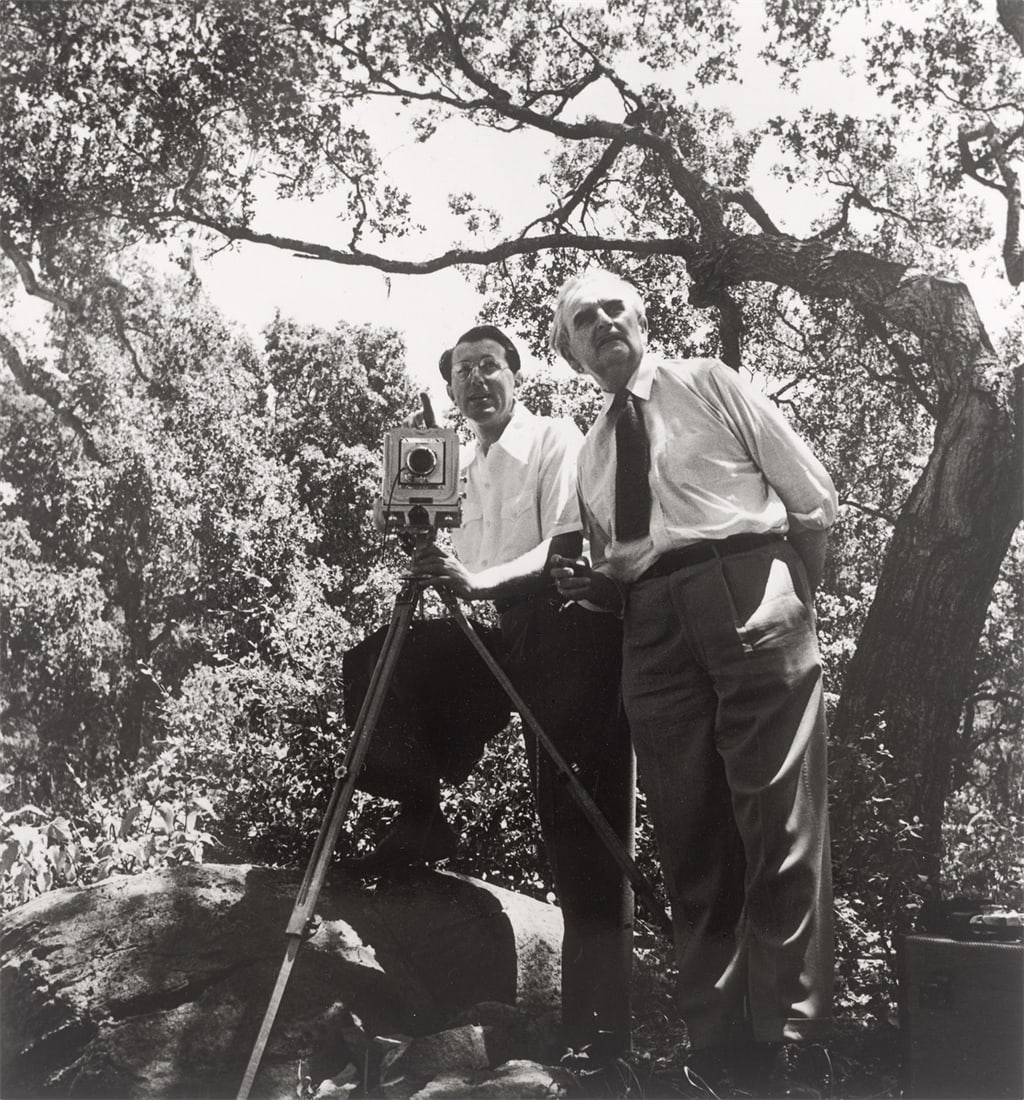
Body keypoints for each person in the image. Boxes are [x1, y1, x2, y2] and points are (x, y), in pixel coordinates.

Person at [548, 269, 838, 1099]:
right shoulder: (593, 448)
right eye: (581, 320)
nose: (602, 322)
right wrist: (602, 590)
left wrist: (787, 601)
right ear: (570, 353)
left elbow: (810, 498)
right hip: (651, 629)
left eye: (614, 306)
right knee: (689, 835)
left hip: (749, 581)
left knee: (778, 820)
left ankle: (793, 1043)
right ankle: (717, 1050)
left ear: (642, 318)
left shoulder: (708, 381)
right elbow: (620, 560)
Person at [404, 324, 636, 1068]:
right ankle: (417, 817)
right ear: (452, 394)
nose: (475, 382)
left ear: (515, 373)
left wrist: (475, 581)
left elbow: (560, 546)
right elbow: (465, 569)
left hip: (570, 631)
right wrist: (429, 555)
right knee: (384, 666)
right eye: (462, 374)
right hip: (504, 630)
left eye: (488, 367)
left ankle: (601, 1026)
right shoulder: (459, 465)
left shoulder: (553, 437)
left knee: (581, 825)